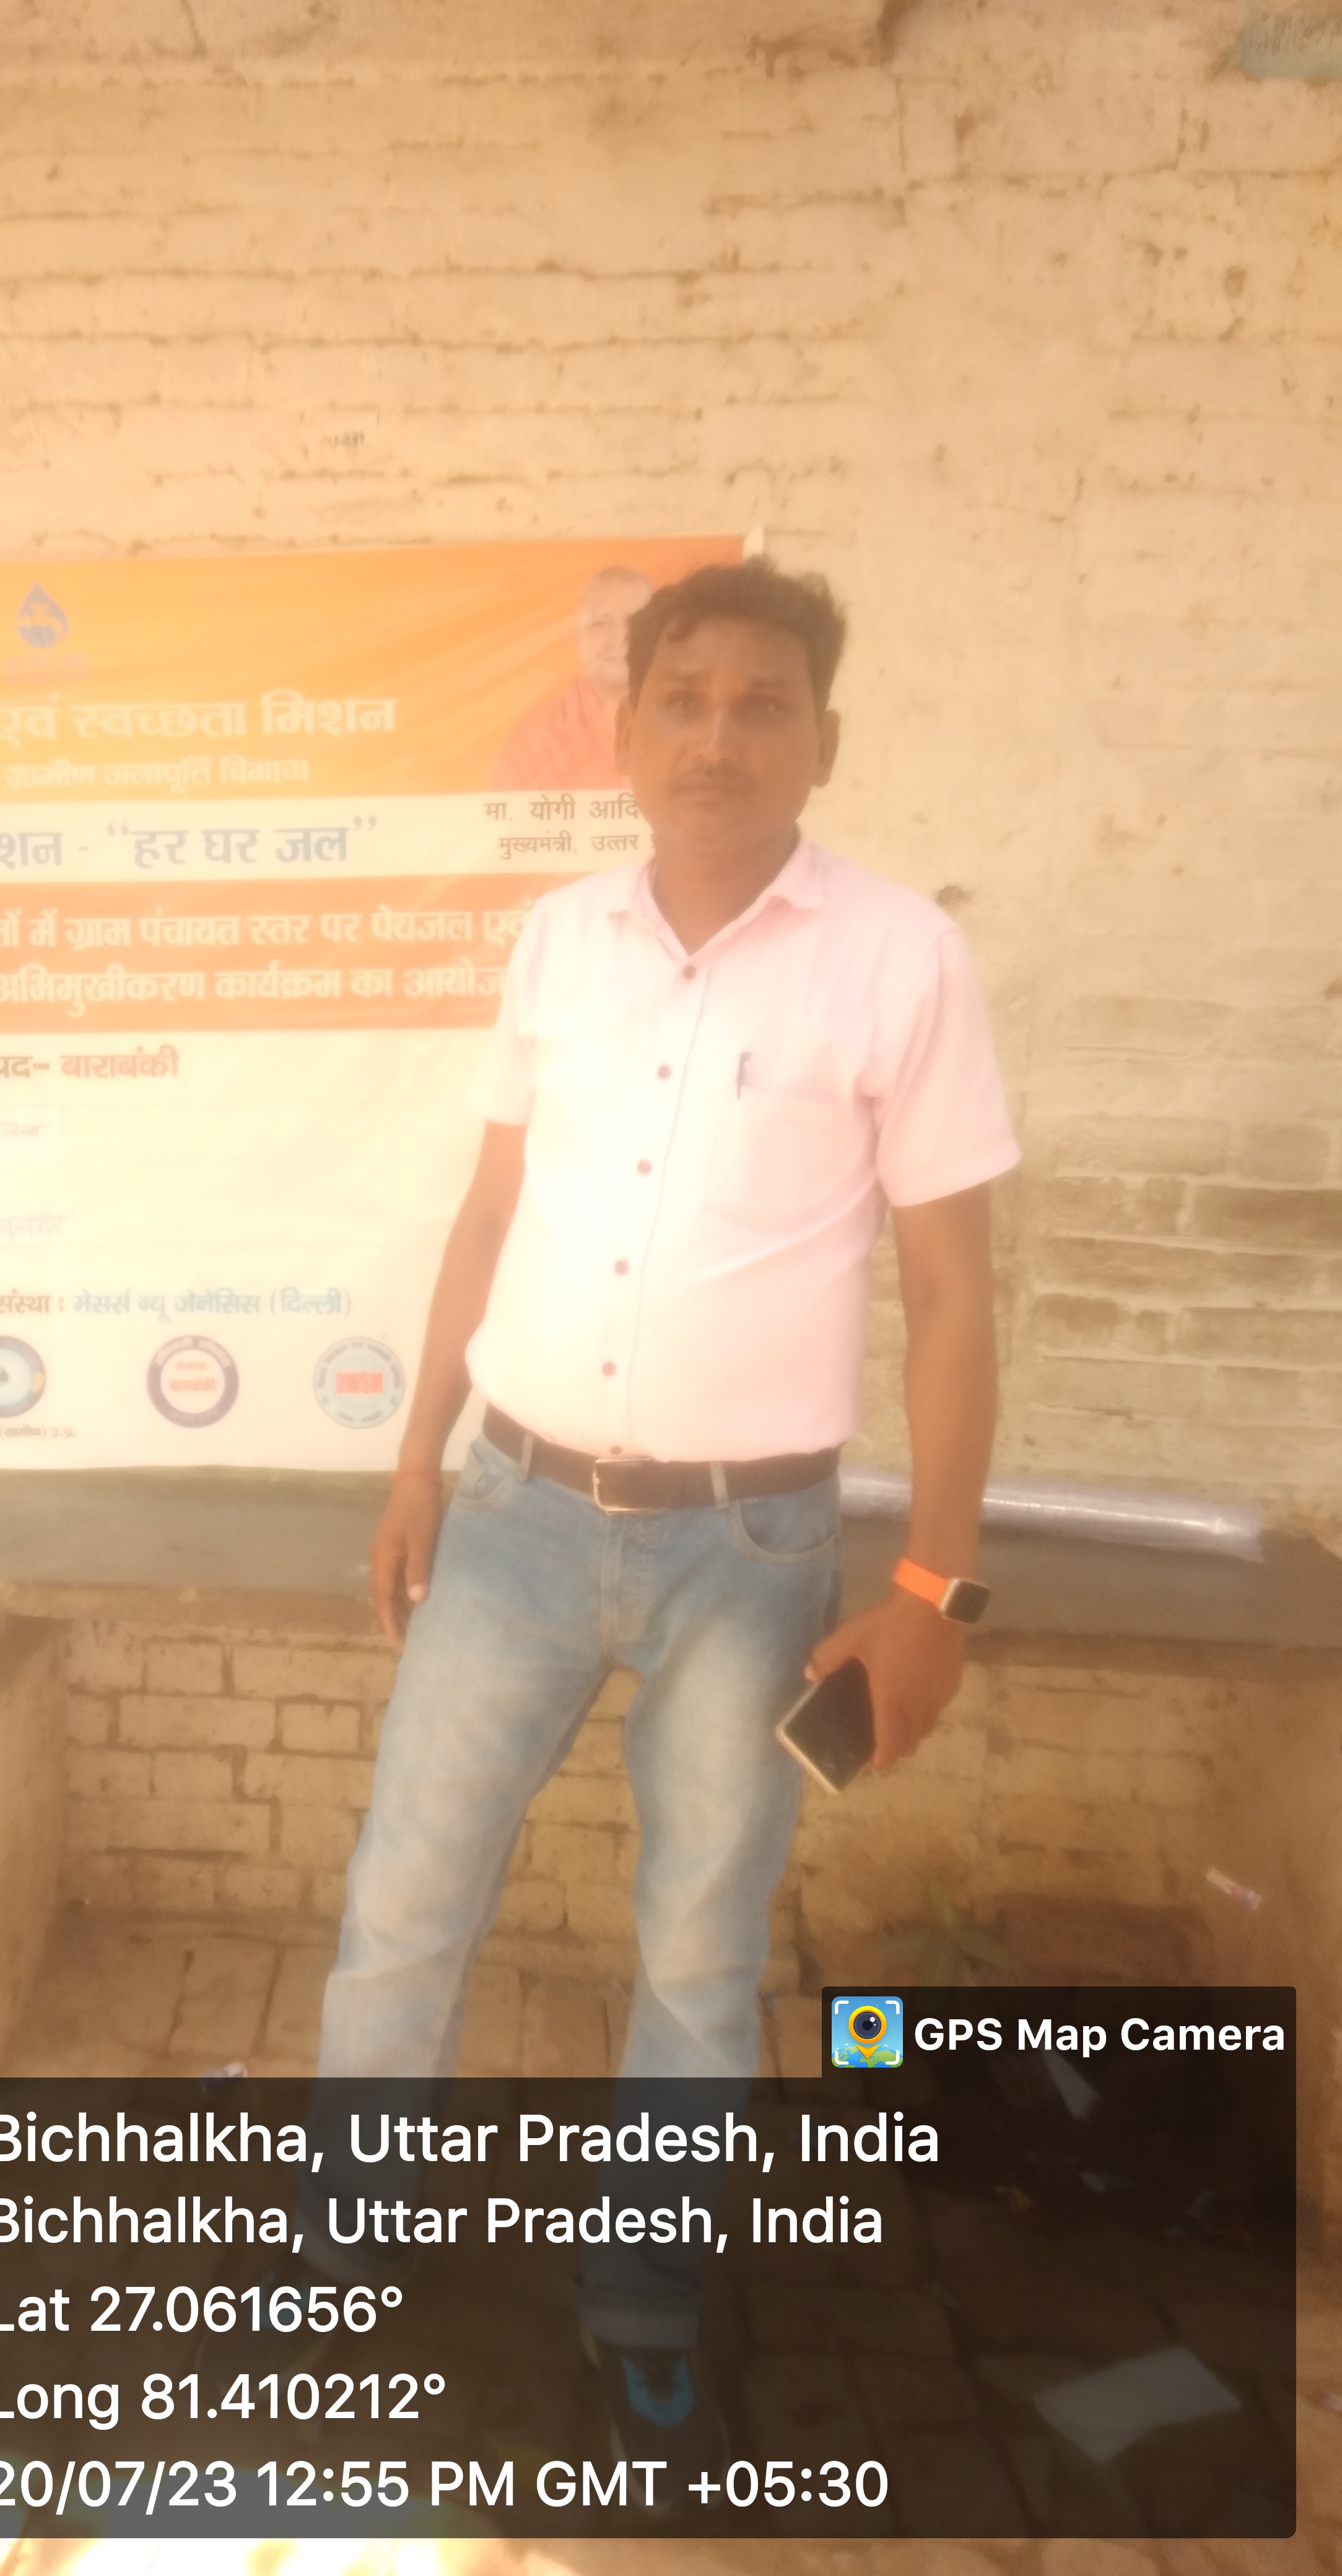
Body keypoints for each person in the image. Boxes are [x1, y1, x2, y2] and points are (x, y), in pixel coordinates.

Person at [300, 559, 1020, 2495]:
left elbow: (953, 1291)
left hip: (749, 1554)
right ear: (624, 733)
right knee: (401, 1899)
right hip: (515, 1514)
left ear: (822, 741)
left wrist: (935, 1590)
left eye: (760, 703)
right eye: (681, 699)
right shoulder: (558, 942)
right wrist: (414, 1460)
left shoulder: (898, 962)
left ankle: (638, 2309)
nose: (716, 736)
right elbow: (489, 1213)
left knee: (700, 1952)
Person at [493, 564, 653, 791]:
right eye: (600, 625)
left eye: (635, 623)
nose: (618, 639)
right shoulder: (531, 742)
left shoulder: (687, 723)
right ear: (579, 639)